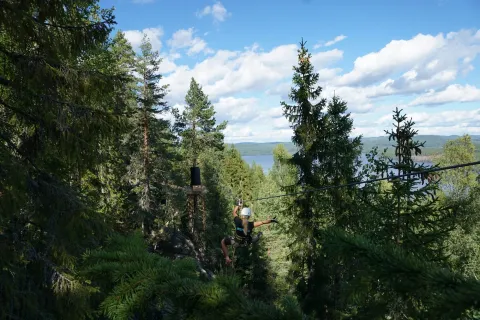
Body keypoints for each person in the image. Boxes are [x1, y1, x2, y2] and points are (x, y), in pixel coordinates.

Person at [220, 200, 278, 265]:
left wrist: (238, 205)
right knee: (250, 238)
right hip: (245, 243)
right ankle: (256, 237)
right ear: (249, 216)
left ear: (241, 215)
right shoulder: (251, 224)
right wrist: (271, 220)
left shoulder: (237, 221)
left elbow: (234, 212)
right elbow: (262, 222)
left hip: (235, 242)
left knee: (223, 241)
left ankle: (227, 258)